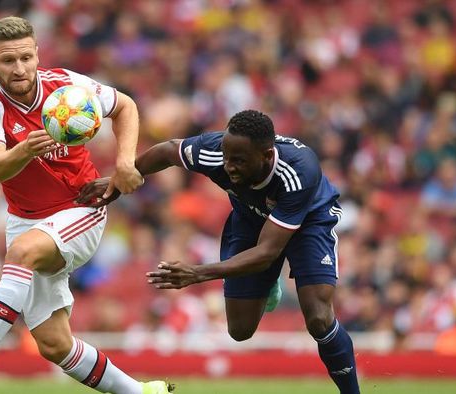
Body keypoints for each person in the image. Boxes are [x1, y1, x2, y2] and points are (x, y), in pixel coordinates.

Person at [0, 16, 173, 394]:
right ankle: (140, 392)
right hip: (26, 218)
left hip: (80, 207)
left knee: (23, 252)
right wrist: (26, 149)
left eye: (26, 58)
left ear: (37, 54)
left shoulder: (67, 87)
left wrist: (125, 162)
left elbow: (124, 106)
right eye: (8, 61)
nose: (20, 68)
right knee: (54, 344)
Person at [79, 110, 360, 393]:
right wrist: (119, 180)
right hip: (251, 218)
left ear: (266, 155)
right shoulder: (213, 151)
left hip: (309, 221)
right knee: (240, 330)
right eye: (226, 156)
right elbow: (166, 151)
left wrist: (197, 273)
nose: (228, 166)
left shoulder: (299, 170)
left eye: (238, 160)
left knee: (319, 317)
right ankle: (266, 279)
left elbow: (266, 251)